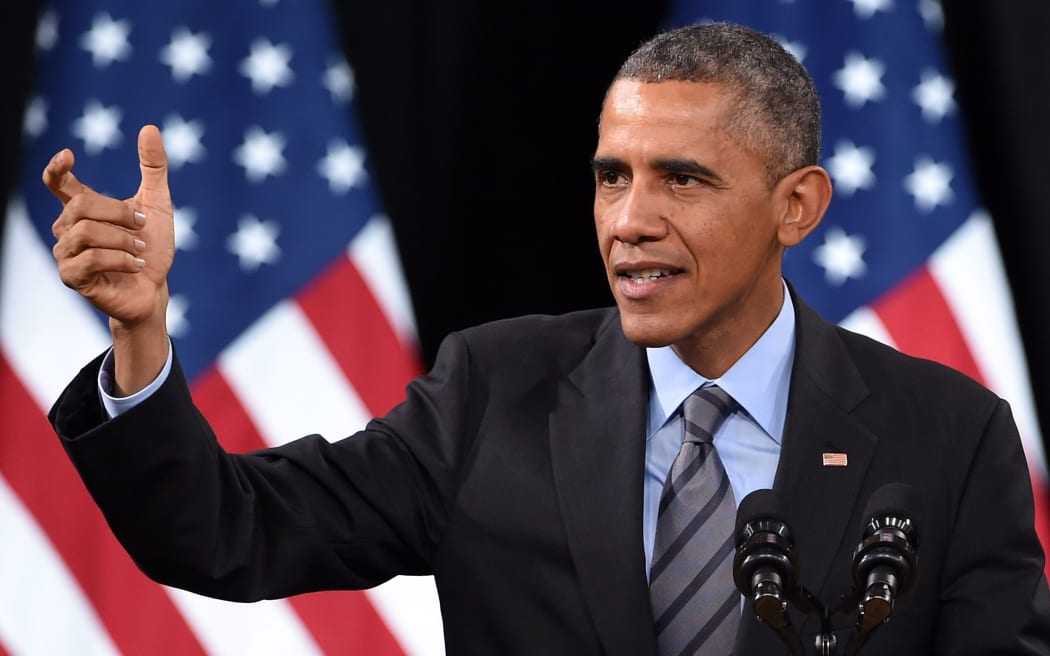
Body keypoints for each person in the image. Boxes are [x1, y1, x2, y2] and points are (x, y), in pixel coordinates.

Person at [45, 21, 1050, 655]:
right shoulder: (494, 389)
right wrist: (141, 335)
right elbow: (227, 531)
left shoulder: (946, 436)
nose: (629, 219)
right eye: (614, 176)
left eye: (682, 179)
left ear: (797, 204)